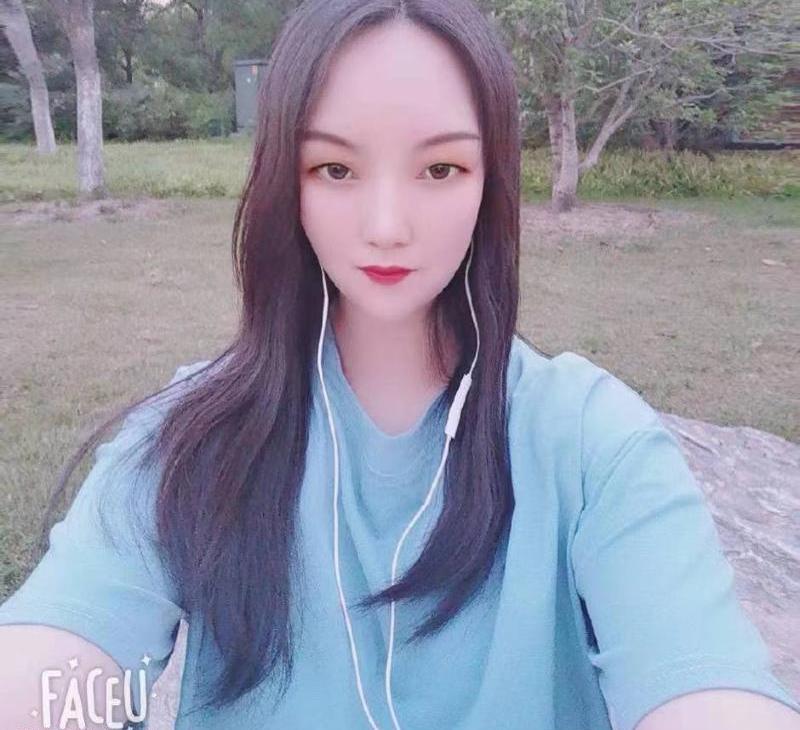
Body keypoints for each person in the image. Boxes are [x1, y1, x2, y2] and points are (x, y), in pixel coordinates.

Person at [1, 1, 799, 729]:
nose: (387, 226)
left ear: (490, 182)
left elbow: (701, 683)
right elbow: (56, 662)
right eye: (336, 169)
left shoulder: (593, 446)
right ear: (286, 182)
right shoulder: (189, 441)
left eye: (440, 169)